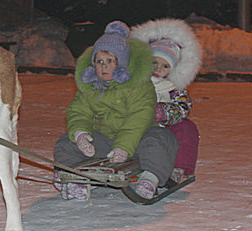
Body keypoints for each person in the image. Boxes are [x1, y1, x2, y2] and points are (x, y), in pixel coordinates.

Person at [54, 20, 179, 200]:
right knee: (66, 142)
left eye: (110, 61)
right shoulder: (90, 88)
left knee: (161, 140)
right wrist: (81, 134)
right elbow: (79, 112)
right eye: (99, 61)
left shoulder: (140, 85)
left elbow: (139, 117)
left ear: (122, 64)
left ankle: (150, 179)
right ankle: (75, 178)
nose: (103, 66)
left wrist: (124, 147)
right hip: (105, 139)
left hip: (136, 141)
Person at [131, 18, 202, 183]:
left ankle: (179, 167)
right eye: (154, 63)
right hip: (135, 125)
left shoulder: (173, 88)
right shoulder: (136, 81)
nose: (158, 69)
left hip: (164, 126)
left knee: (187, 128)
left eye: (165, 66)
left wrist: (162, 112)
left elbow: (183, 107)